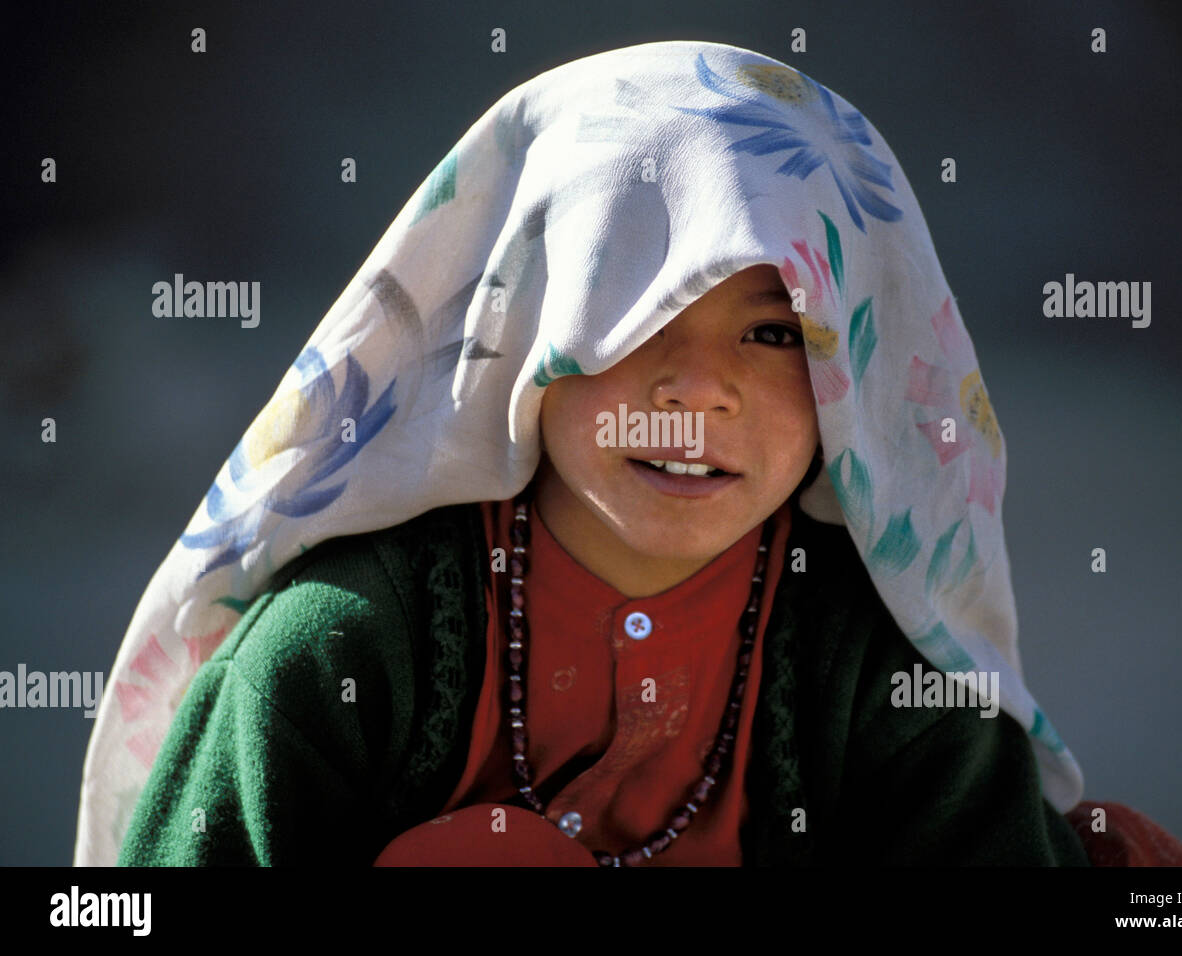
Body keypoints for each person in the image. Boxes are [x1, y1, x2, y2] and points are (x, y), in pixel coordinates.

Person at [77, 39, 1089, 867]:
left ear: (850, 373)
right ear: (524, 335)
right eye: (635, 309)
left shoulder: (893, 692)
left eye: (775, 331)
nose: (697, 387)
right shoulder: (334, 658)